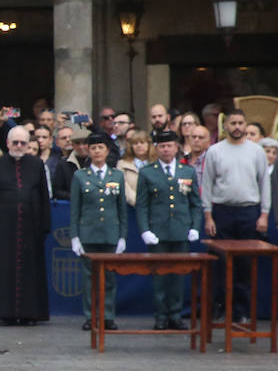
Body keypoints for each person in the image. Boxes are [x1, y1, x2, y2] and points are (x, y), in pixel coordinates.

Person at [201, 109, 272, 323]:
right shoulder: (215, 151)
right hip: (222, 210)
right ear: (225, 126)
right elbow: (207, 184)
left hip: (249, 211)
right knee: (220, 262)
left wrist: (264, 214)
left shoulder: (256, 151)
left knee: (244, 264)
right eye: (233, 123)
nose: (237, 127)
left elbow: (264, 184)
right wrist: (208, 216)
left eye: (241, 122)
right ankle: (221, 308)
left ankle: (241, 311)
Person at [0, 125, 50, 326]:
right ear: (8, 144)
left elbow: (44, 196)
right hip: (3, 229)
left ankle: (30, 314)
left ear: (28, 144)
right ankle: (4, 313)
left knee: (30, 272)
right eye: (15, 142)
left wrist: (45, 226)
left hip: (31, 229)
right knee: (4, 271)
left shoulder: (36, 164)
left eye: (23, 143)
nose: (19, 146)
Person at [136, 130, 202, 330]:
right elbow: (142, 205)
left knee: (178, 276)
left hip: (181, 231)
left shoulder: (187, 172)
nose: (166, 149)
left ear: (176, 147)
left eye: (170, 145)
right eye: (162, 146)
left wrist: (195, 227)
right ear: (157, 148)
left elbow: (195, 204)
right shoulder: (147, 172)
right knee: (160, 276)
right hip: (158, 233)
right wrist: (145, 230)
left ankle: (176, 314)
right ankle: (161, 316)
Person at [70, 132, 128, 331]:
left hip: (110, 233)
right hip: (88, 233)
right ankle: (90, 316)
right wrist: (75, 237)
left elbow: (122, 209)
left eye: (100, 148)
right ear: (88, 150)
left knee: (109, 277)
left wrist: (122, 236)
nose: (97, 151)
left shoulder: (117, 175)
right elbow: (75, 209)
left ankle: (108, 316)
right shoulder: (80, 176)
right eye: (93, 148)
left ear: (107, 150)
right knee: (89, 278)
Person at [117, 129, 154, 206]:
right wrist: (138, 202)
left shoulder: (156, 163)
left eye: (142, 142)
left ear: (148, 144)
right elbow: (124, 186)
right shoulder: (122, 164)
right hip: (130, 207)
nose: (139, 145)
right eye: (135, 143)